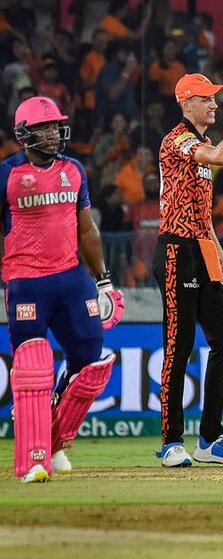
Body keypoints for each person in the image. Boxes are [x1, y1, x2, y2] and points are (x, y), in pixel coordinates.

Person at [4, 96, 125, 483]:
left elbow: (87, 229)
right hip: (26, 281)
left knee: (91, 362)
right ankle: (33, 459)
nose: (53, 134)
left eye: (55, 126)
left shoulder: (73, 170)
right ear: (24, 134)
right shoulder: (7, 174)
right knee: (32, 366)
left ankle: (54, 439)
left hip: (72, 277)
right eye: (44, 128)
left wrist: (103, 280)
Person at [154, 72, 223, 468]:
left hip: (201, 247)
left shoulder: (201, 143)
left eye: (215, 98)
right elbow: (219, 158)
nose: (214, 104)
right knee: (179, 345)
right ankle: (171, 441)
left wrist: (219, 252)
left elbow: (202, 211)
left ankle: (210, 439)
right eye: (206, 98)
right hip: (175, 249)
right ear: (186, 104)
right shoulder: (177, 140)